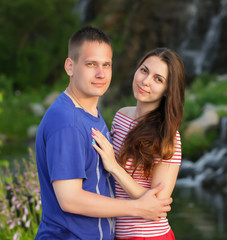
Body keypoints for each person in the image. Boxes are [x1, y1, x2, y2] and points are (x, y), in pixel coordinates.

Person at [35, 27, 172, 240]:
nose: (100, 74)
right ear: (70, 66)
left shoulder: (91, 114)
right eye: (91, 64)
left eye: (106, 65)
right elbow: (70, 199)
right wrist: (137, 208)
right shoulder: (67, 122)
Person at [91, 47, 185, 239]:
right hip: (114, 232)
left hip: (147, 235)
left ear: (168, 90)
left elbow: (157, 204)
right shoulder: (121, 115)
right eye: (144, 70)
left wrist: (115, 168)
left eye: (158, 79)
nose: (145, 81)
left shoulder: (169, 135)